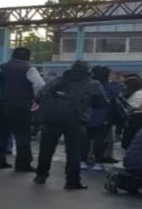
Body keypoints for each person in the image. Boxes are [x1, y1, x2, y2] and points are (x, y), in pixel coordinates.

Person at [33, 61, 109, 190]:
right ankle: (72, 181)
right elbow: (102, 102)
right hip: (76, 121)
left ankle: (41, 176)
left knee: (46, 150)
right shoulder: (93, 84)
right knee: (74, 153)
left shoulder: (58, 81)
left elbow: (40, 95)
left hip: (52, 120)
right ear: (88, 71)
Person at [0, 47, 45, 171]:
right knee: (22, 136)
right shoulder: (29, 68)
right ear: (28, 57)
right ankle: (22, 164)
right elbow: (40, 85)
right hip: (20, 106)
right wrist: (36, 99)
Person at [80, 66, 116, 171]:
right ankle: (98, 163)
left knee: (85, 140)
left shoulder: (87, 86)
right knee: (99, 141)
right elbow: (112, 104)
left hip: (86, 117)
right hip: (102, 119)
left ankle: (83, 161)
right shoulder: (108, 87)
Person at [121, 75, 142, 149]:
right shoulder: (139, 93)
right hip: (136, 117)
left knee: (132, 136)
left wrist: (125, 104)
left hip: (137, 117)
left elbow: (137, 105)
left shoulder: (139, 94)